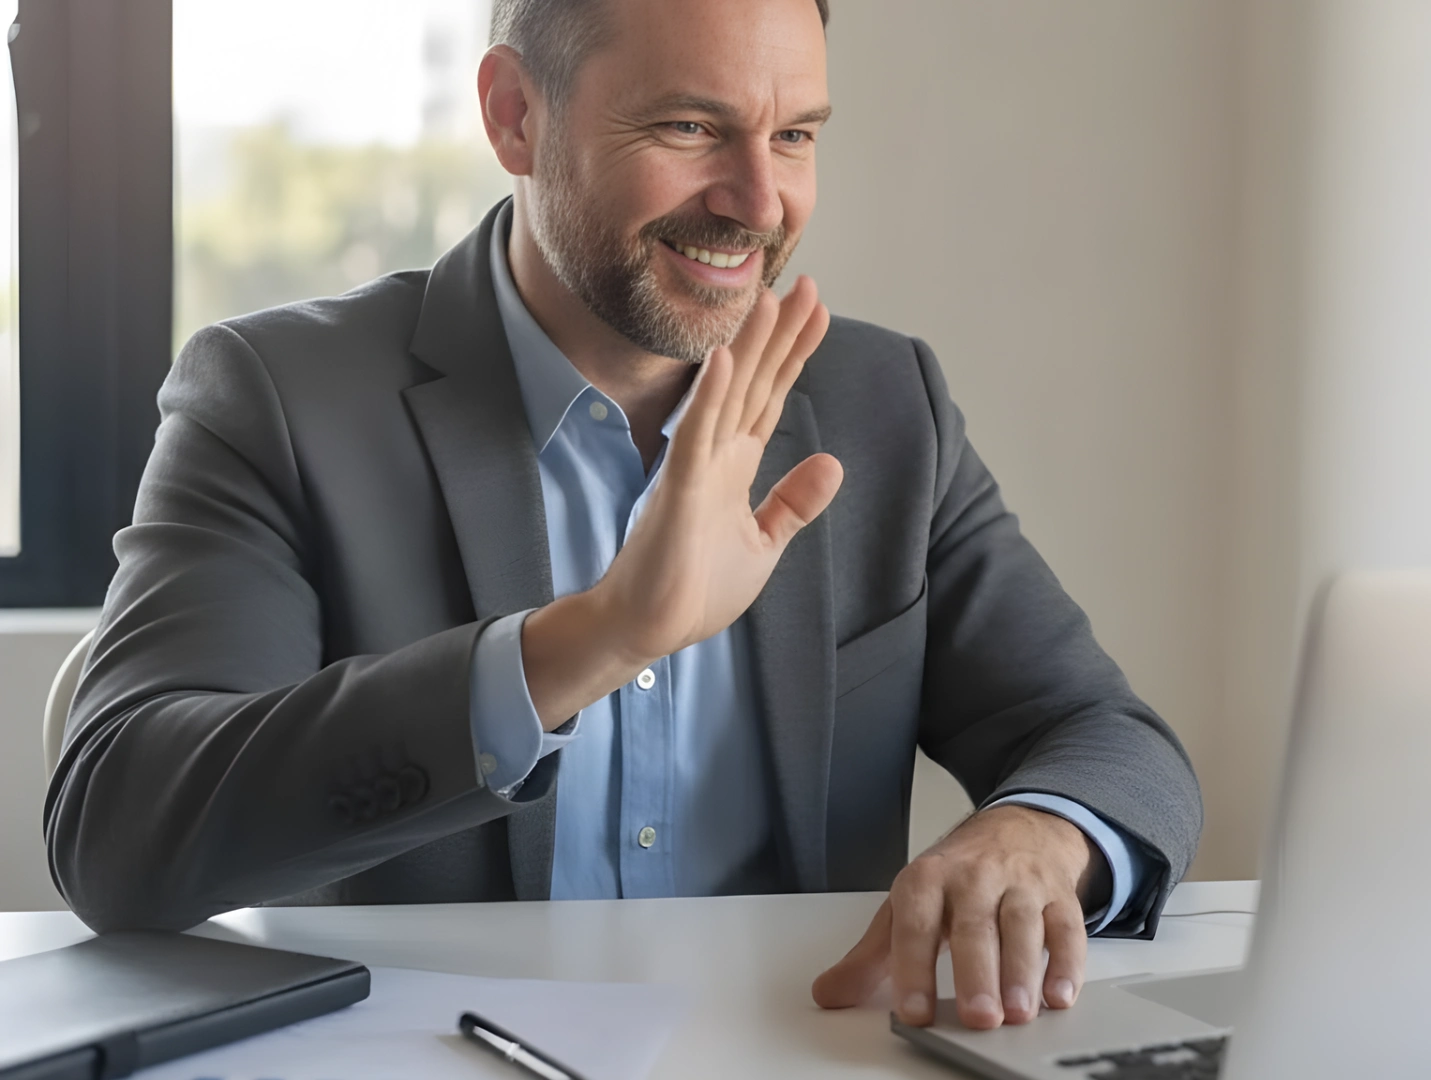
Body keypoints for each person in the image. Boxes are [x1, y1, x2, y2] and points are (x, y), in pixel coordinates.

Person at [44, 0, 1201, 1033]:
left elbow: (1111, 741)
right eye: (691, 128)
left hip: (801, 1049)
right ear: (514, 118)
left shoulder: (882, 403)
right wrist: (590, 640)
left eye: (795, 134)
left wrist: (1035, 837)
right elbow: (118, 830)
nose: (760, 203)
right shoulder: (283, 397)